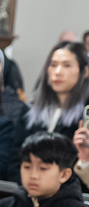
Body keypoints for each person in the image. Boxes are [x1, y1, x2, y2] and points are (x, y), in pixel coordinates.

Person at [13, 41, 89, 182]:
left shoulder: (85, 115)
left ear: (85, 71)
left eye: (66, 65)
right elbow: (15, 156)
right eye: (53, 65)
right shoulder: (30, 110)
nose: (58, 72)